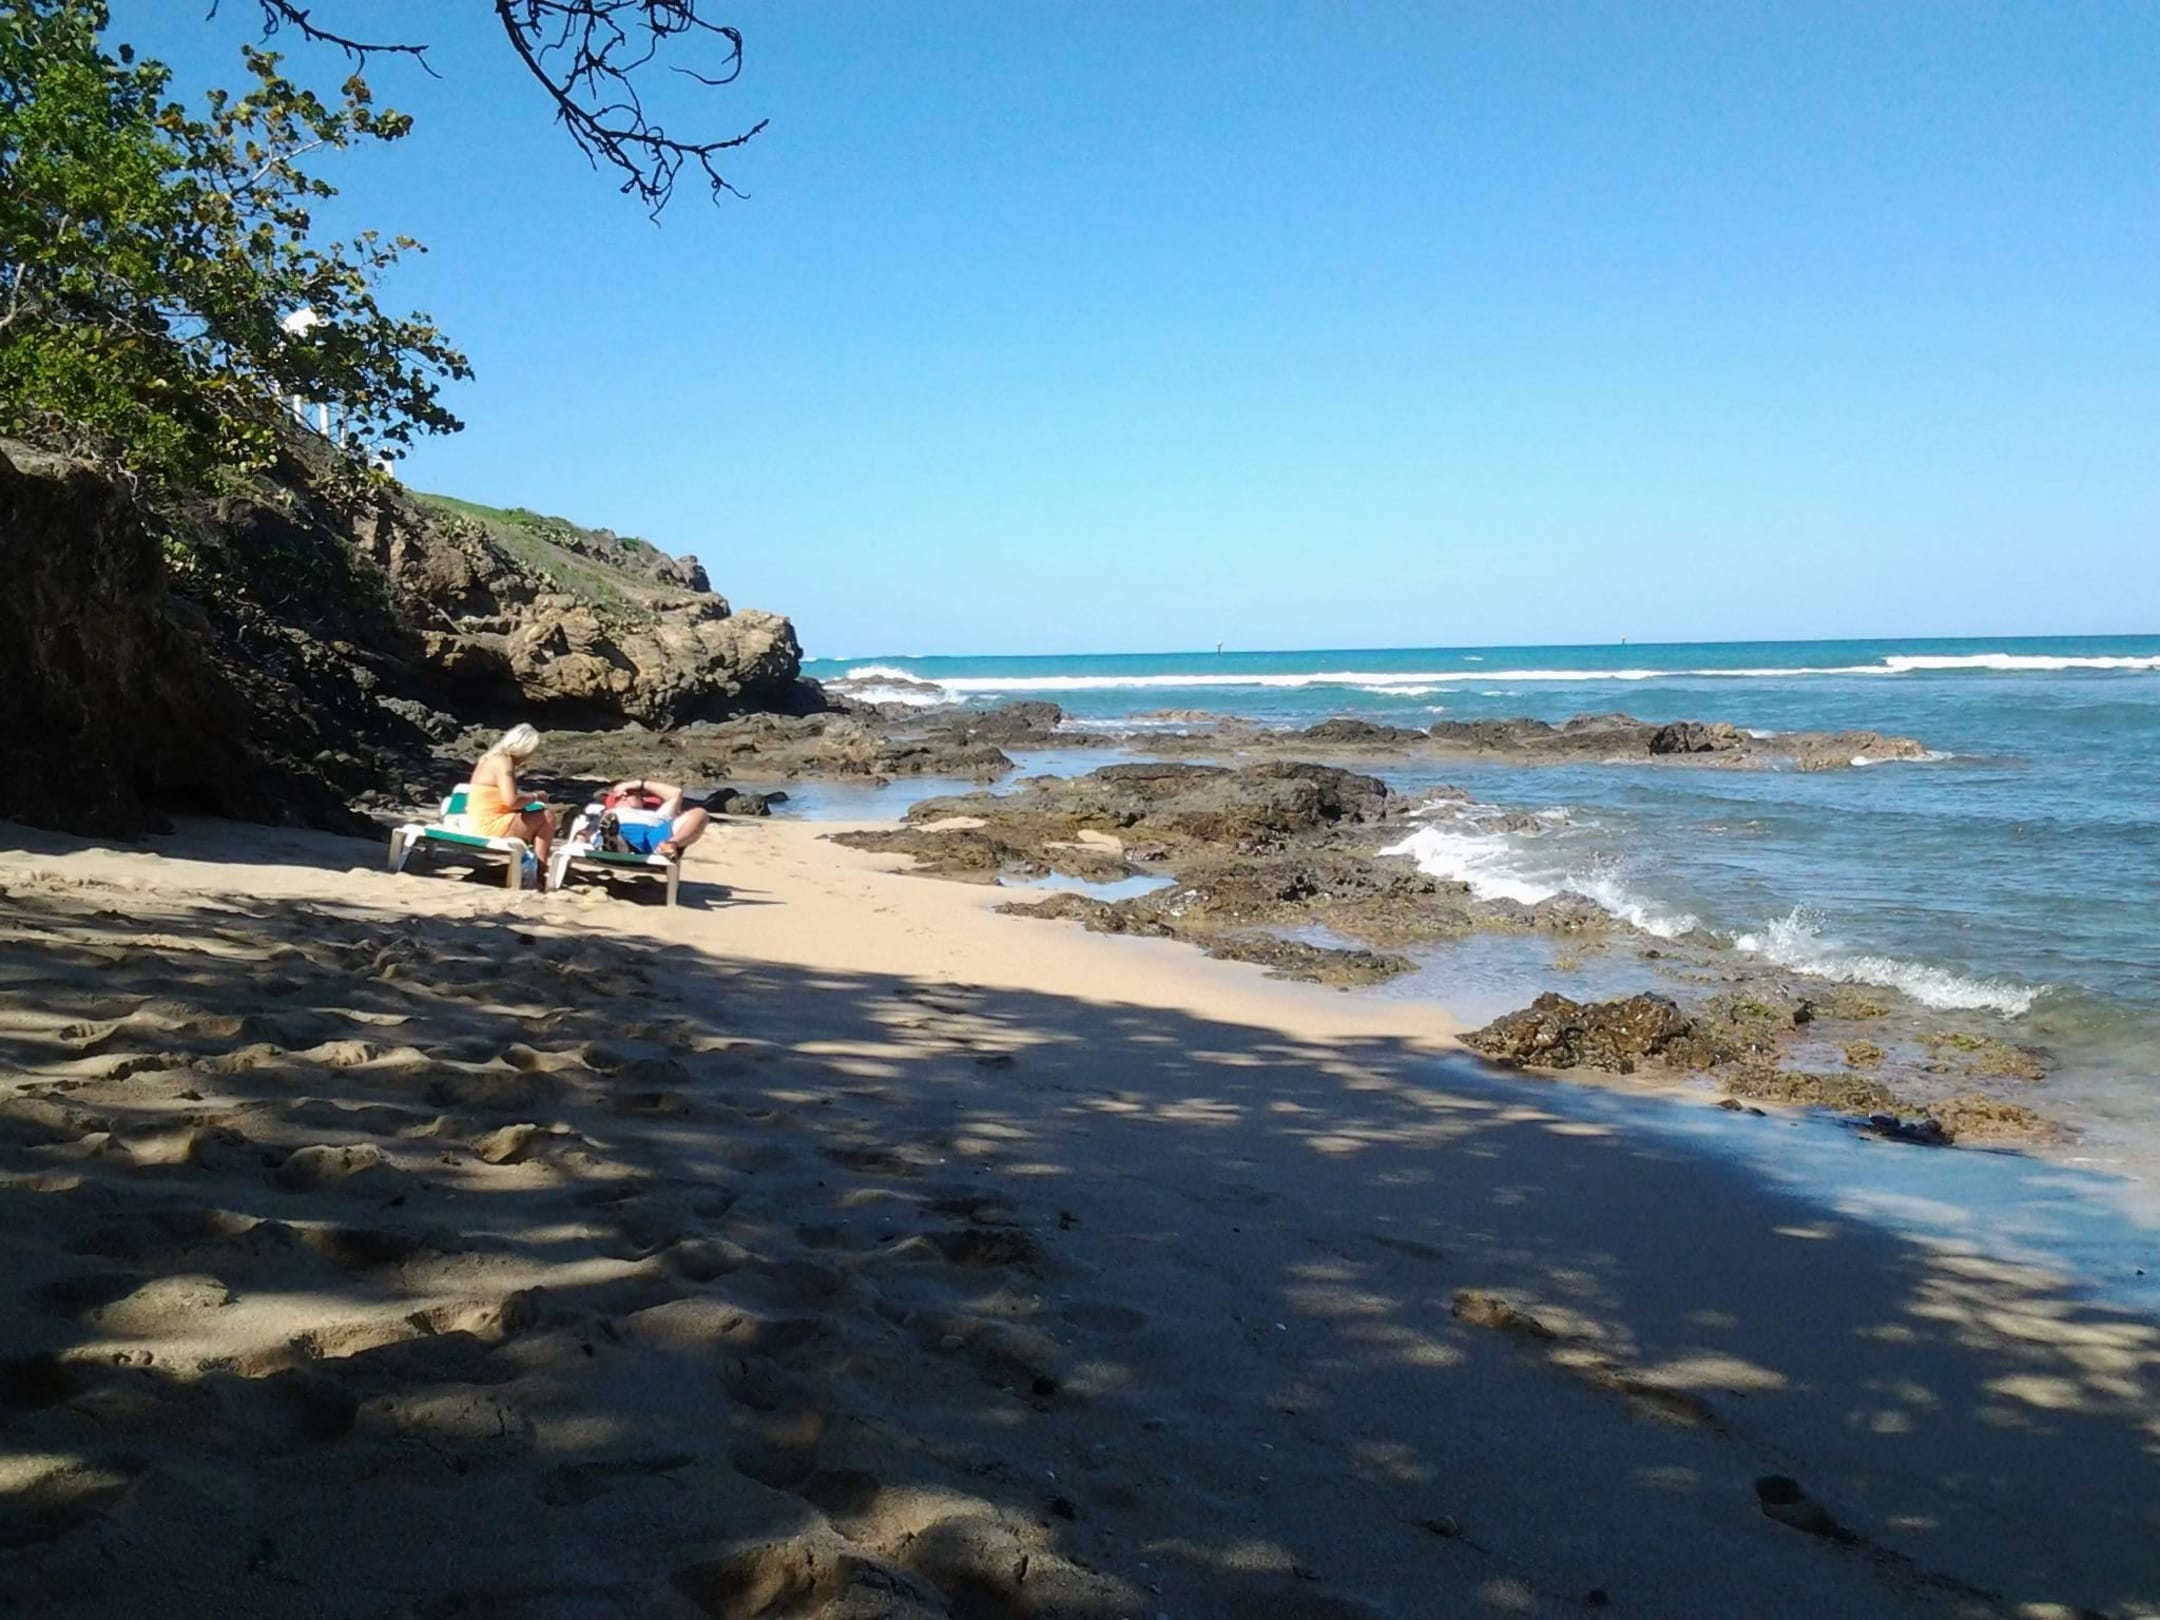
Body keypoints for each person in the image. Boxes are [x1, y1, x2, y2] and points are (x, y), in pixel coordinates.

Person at [466, 724, 555, 876]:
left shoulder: (488, 759)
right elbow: (511, 801)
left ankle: (533, 865)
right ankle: (540, 870)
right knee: (547, 817)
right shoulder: (504, 763)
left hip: (477, 820)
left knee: (532, 815)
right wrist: (536, 796)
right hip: (490, 825)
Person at [597, 777, 709, 861]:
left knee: (700, 813)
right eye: (618, 796)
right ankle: (616, 844)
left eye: (632, 792)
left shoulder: (659, 814)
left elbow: (676, 793)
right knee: (611, 826)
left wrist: (639, 783)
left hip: (657, 837)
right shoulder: (609, 812)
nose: (625, 794)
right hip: (621, 829)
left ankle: (671, 844)